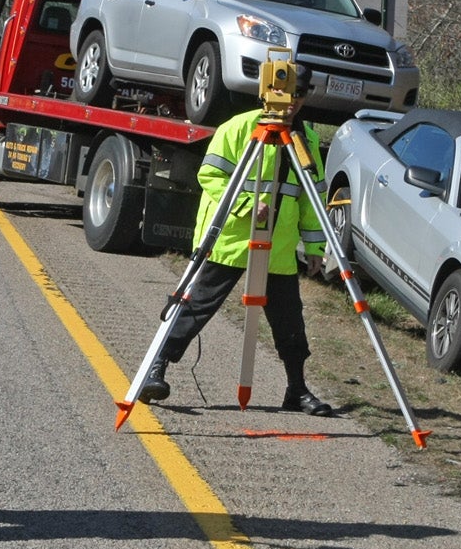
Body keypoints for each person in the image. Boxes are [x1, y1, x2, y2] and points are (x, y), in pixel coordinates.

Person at [138, 111, 334, 416]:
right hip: (230, 238)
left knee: (290, 321)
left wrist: (314, 247)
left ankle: (297, 389)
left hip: (278, 247)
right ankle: (156, 368)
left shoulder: (303, 139)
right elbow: (210, 175)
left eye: (299, 94)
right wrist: (247, 204)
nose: (291, 101)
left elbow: (311, 196)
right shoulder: (240, 127)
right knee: (196, 306)